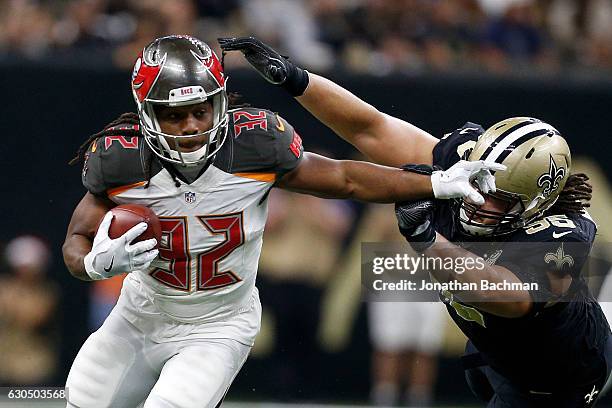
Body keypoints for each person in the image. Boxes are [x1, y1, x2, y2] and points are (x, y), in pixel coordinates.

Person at [61, 35, 497, 408]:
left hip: (218, 326)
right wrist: (97, 263)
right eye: (175, 114)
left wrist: (434, 183)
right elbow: (77, 241)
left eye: (202, 110)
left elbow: (344, 178)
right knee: (82, 400)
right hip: (139, 316)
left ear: (221, 102)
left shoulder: (253, 145)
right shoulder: (119, 159)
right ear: (147, 113)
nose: (192, 125)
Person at [221, 36, 612, 407]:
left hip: (560, 376)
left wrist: (426, 238)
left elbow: (508, 297)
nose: (478, 198)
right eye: (479, 181)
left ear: (535, 205)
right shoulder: (463, 158)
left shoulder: (564, 232)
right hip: (497, 349)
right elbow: (371, 128)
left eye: (497, 197)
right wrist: (294, 79)